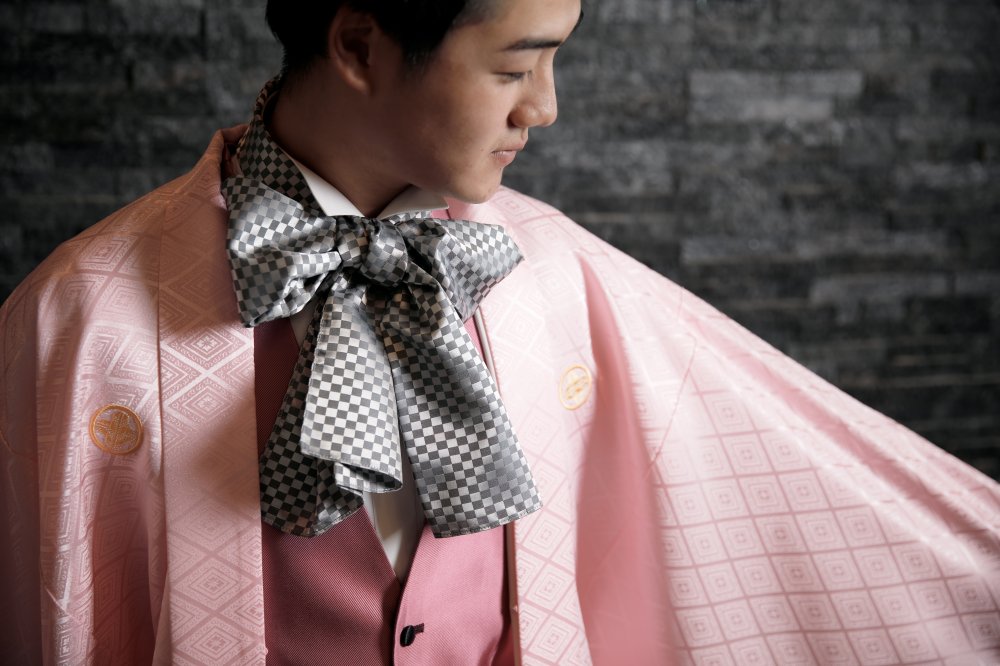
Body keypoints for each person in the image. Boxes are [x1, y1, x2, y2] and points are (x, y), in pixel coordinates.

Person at [2, 1, 999, 664]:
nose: (546, 107)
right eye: (517, 65)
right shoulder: (82, 316)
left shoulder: (554, 272)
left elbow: (807, 465)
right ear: (358, 45)